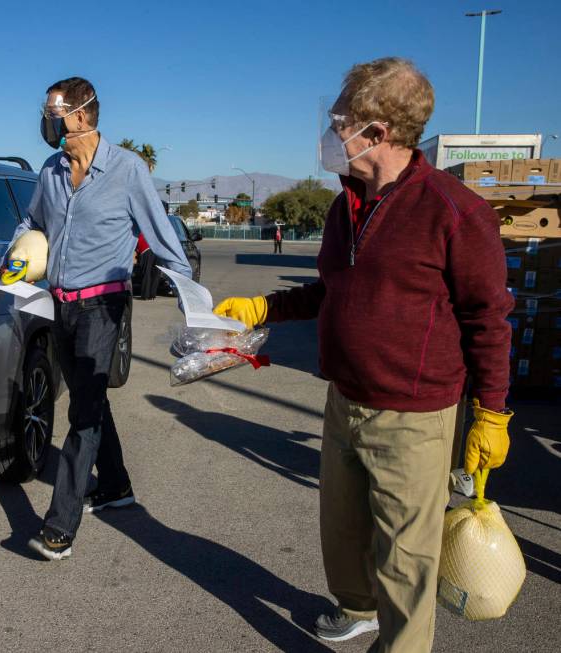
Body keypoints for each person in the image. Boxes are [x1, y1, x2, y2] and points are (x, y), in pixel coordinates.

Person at [214, 58, 514, 653]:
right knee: (343, 533)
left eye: (340, 121)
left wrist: (492, 412)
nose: (331, 133)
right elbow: (334, 289)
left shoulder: (455, 211)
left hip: (414, 416)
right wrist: (262, 309)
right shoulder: (344, 204)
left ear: (377, 131)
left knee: (405, 561)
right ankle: (357, 610)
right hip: (343, 398)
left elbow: (489, 319)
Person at [9, 77, 191, 561]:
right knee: (90, 399)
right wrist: (18, 253)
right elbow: (33, 223)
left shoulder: (127, 170)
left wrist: (191, 293)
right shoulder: (50, 170)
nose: (47, 121)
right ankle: (115, 486)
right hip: (60, 303)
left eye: (54, 112)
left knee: (83, 412)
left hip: (104, 306)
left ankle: (59, 526)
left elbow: (159, 231)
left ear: (82, 115)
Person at [136, 232, 161, 300]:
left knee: (147, 273)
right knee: (156, 273)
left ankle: (145, 295)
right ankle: (152, 294)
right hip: (158, 249)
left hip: (145, 249)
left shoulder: (140, 226)